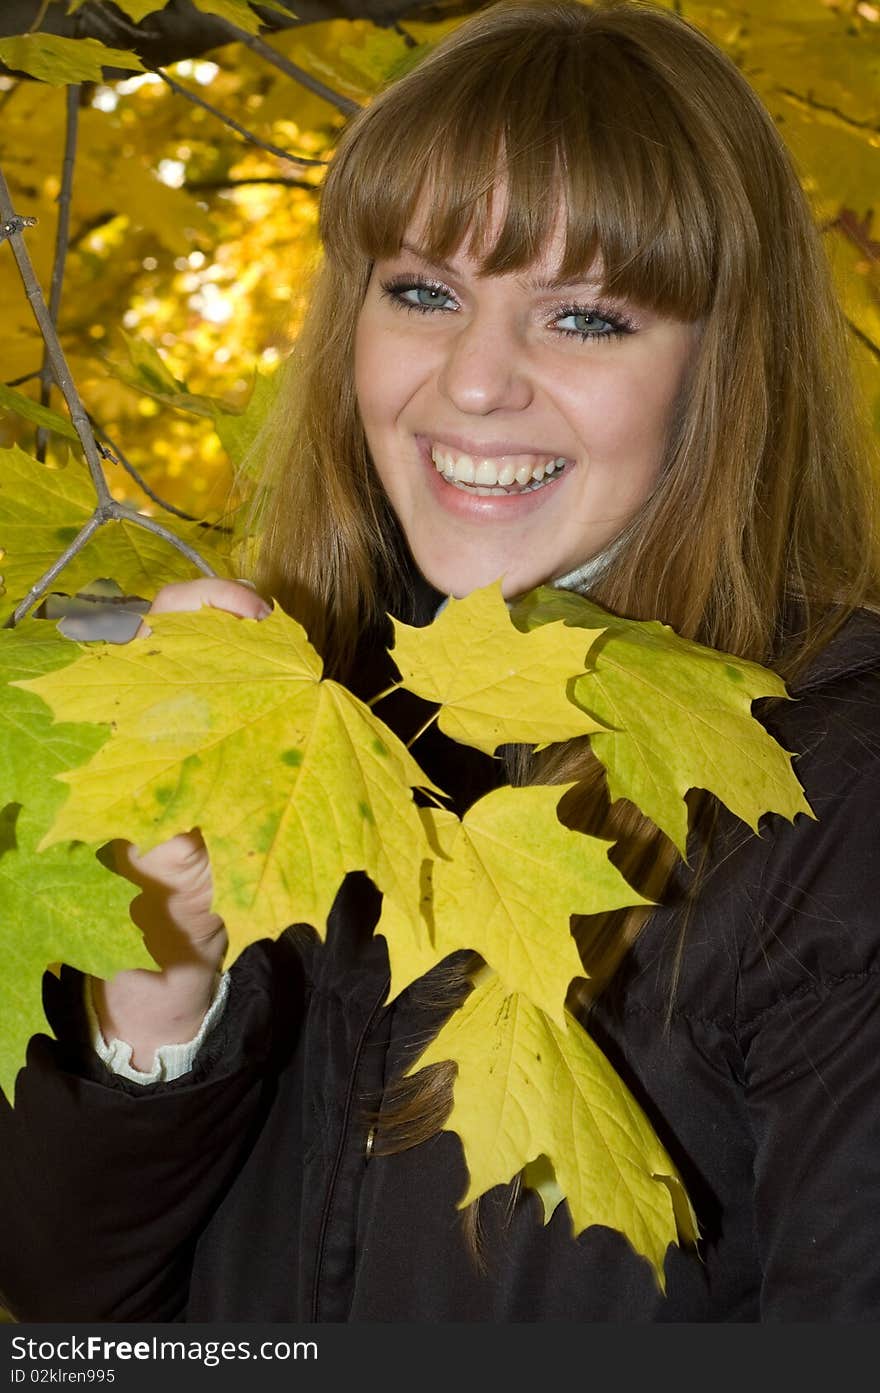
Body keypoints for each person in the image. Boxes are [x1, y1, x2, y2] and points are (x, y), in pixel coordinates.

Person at [2, 0, 880, 1324]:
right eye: (422, 291)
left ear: (721, 367)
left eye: (584, 317)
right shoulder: (305, 702)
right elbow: (74, 1308)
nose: (473, 382)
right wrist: (162, 985)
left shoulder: (838, 785)